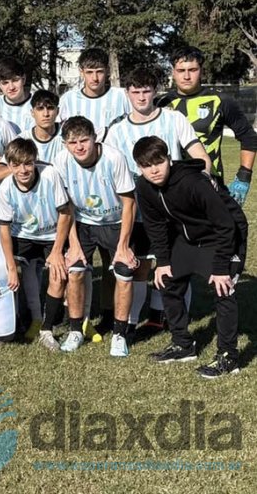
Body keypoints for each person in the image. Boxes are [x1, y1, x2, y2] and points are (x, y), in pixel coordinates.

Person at [103, 66, 211, 338]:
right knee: (139, 269)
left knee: (176, 269)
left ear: (155, 90)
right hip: (138, 212)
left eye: (146, 90)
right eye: (135, 91)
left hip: (174, 212)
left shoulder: (173, 119)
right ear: (126, 92)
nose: (141, 97)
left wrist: (201, 183)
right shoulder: (117, 130)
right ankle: (132, 322)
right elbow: (111, 175)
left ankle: (171, 321)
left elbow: (201, 158)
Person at [133, 136, 248, 378]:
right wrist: (163, 262)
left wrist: (219, 268)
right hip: (188, 238)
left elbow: (226, 224)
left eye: (159, 162)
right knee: (167, 281)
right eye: (146, 165)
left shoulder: (193, 182)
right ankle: (183, 345)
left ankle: (228, 357)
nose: (154, 170)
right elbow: (155, 226)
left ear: (169, 160)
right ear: (139, 167)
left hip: (224, 235)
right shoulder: (144, 187)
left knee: (223, 288)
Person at [52, 116, 137, 356]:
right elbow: (65, 206)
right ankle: (76, 329)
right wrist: (74, 244)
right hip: (82, 223)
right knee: (75, 269)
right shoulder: (61, 161)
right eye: (72, 142)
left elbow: (129, 203)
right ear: (64, 144)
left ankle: (119, 335)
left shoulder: (114, 158)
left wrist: (123, 245)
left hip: (116, 222)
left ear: (94, 138)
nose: (79, 147)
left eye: (84, 140)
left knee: (123, 270)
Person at [0, 138, 75, 351]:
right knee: (6, 273)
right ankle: (8, 328)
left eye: (28, 163)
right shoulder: (5, 189)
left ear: (35, 161)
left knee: (59, 273)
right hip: (22, 235)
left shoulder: (50, 175)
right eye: (17, 165)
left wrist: (58, 251)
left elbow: (65, 213)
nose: (23, 170)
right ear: (10, 166)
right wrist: (12, 268)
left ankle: (46, 330)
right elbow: (3, 229)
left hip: (51, 234)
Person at [158, 45, 257, 204]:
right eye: (181, 70)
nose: (187, 76)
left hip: (210, 183)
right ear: (173, 72)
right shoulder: (160, 103)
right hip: (169, 186)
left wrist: (243, 178)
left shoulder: (220, 101)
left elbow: (249, 138)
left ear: (201, 71)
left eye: (193, 69)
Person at [58, 47, 130, 134]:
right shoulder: (68, 99)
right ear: (81, 72)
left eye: (99, 72)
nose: (95, 78)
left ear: (107, 71)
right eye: (89, 72)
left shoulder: (122, 96)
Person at [0, 57, 33, 132]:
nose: (11, 87)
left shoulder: (39, 105)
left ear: (23, 79)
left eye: (15, 80)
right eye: (5, 83)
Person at [17, 89, 63, 165]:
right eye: (40, 109)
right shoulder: (22, 139)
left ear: (57, 111)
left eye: (50, 108)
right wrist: (35, 165)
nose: (46, 114)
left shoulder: (67, 135)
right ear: (32, 113)